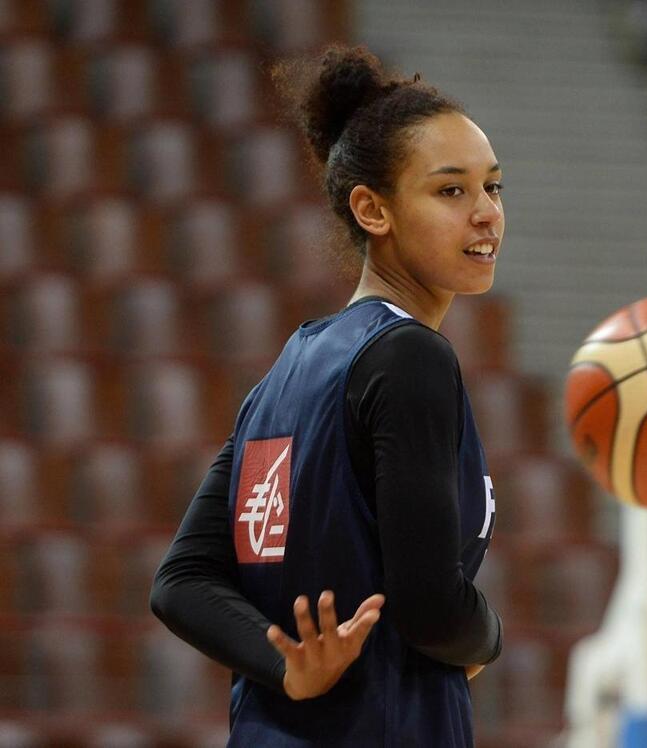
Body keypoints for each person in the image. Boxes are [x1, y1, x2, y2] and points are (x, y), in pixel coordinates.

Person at [150, 44, 504, 747]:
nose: (487, 215)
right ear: (372, 210)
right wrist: (483, 641)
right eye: (451, 191)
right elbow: (431, 609)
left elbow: (183, 581)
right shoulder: (410, 358)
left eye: (494, 186)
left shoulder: (286, 370)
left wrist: (287, 665)